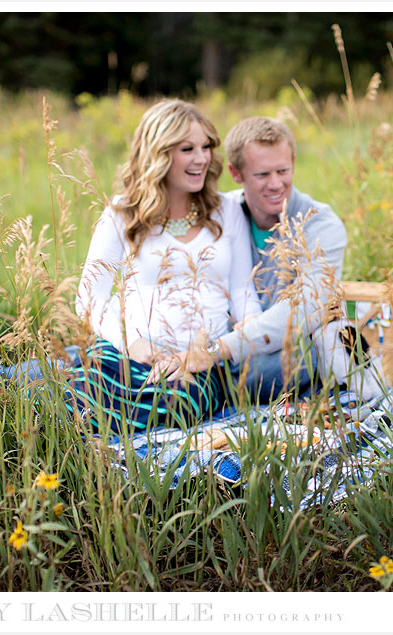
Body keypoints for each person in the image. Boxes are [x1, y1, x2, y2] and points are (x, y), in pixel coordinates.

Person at [72, 99, 261, 431]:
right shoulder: (122, 212)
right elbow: (89, 299)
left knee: (178, 404)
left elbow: (243, 293)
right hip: (130, 351)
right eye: (187, 149)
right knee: (90, 385)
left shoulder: (225, 211)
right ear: (158, 154)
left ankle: (109, 427)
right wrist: (133, 344)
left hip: (195, 362)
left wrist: (230, 346)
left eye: (205, 147)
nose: (201, 158)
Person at [156, 116, 349, 401]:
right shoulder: (221, 216)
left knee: (277, 366)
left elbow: (306, 308)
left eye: (283, 170)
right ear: (236, 173)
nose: (276, 184)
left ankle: (207, 386)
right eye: (262, 175)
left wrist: (216, 351)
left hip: (281, 347)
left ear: (294, 161)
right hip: (215, 340)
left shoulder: (321, 224)